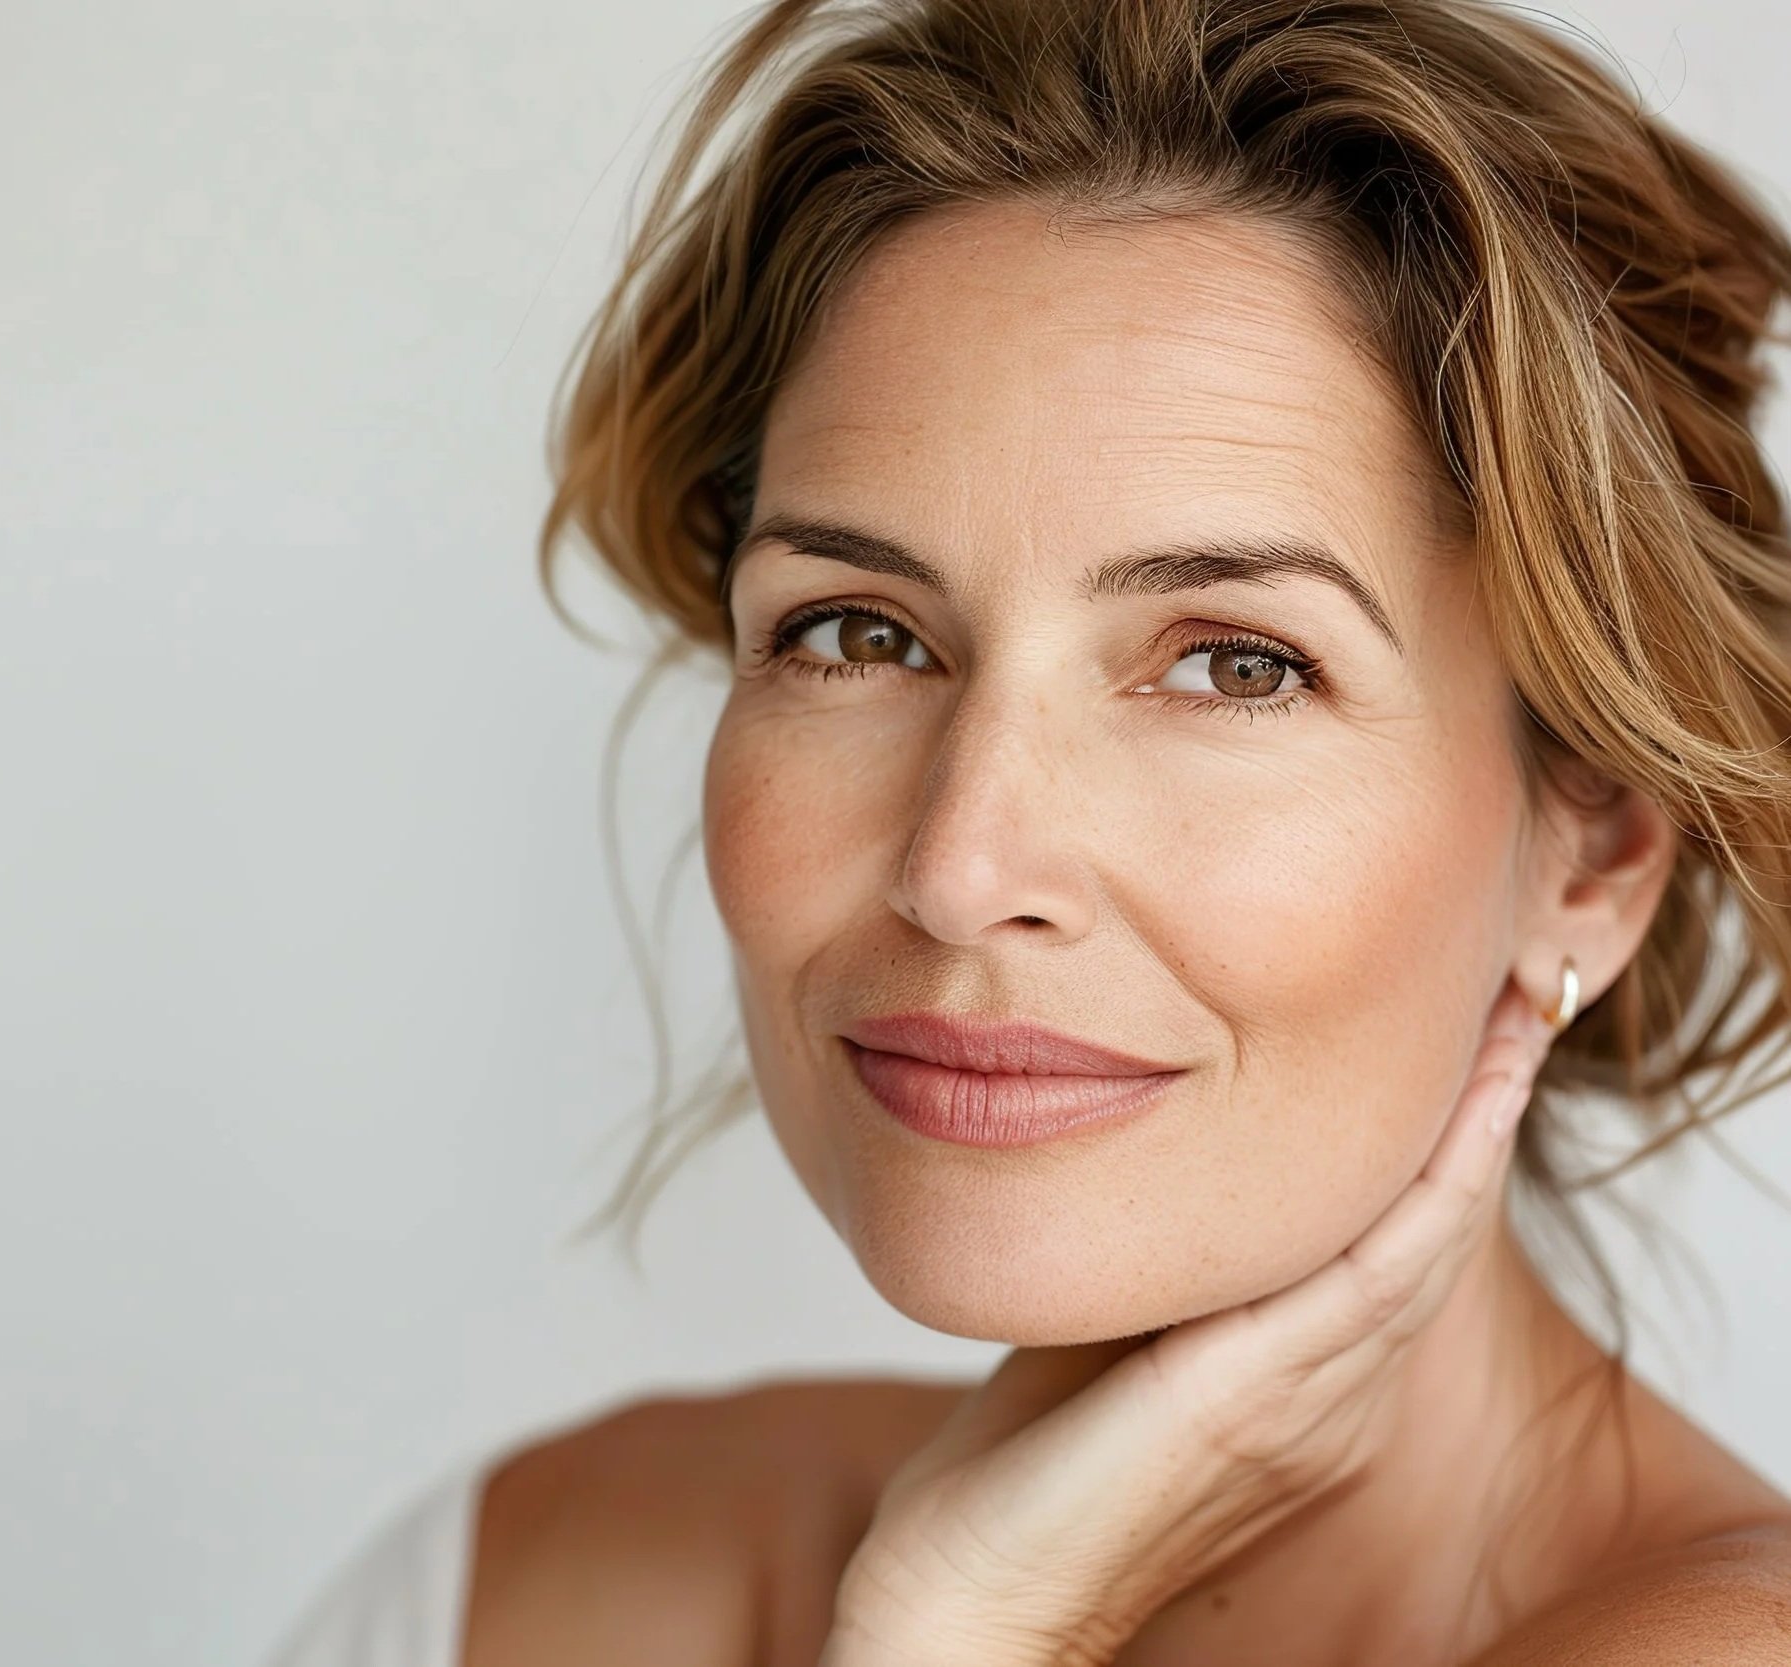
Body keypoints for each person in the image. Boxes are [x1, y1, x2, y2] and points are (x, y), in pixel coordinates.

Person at [266, 0, 1791, 1660]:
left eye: (1233, 665)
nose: (959, 867)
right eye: (858, 634)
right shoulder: (530, 1582)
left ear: (1596, 855)